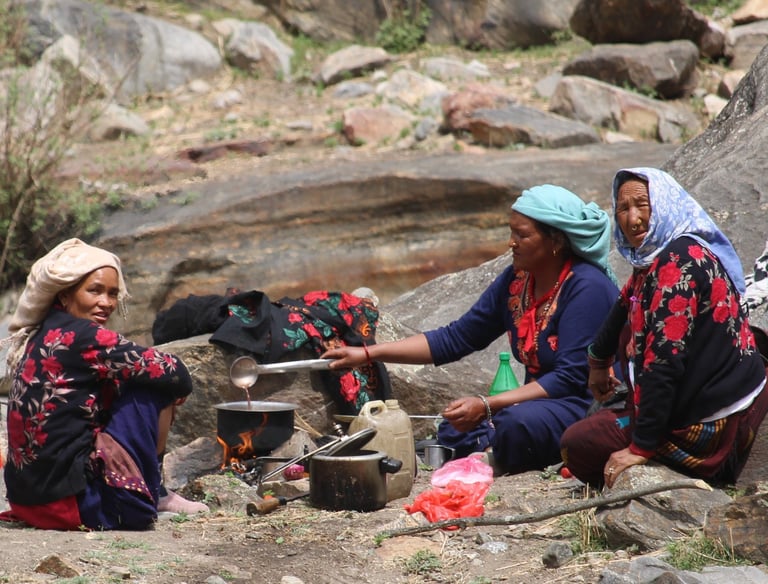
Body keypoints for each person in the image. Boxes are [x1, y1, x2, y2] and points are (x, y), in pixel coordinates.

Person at [322, 185, 621, 475]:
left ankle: (497, 453)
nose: (511, 243)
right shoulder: (517, 281)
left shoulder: (587, 287)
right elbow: (457, 337)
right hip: (538, 404)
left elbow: (569, 379)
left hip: (584, 405)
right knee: (453, 425)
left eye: (522, 235)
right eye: (511, 232)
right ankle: (495, 451)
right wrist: (367, 353)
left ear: (555, 241)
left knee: (517, 422)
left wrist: (487, 405)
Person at [560, 168, 768, 488]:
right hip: (724, 388)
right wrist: (598, 361)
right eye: (623, 209)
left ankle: (688, 465)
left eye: (643, 205)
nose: (632, 220)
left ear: (664, 205)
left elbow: (664, 361)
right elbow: (625, 300)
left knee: (577, 443)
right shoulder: (662, 255)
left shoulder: (677, 262)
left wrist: (640, 447)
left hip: (708, 420)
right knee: (600, 416)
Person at [1, 238, 208, 530]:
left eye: (112, 294)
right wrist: (172, 388)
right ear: (64, 295)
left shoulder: (42, 332)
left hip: (29, 502)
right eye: (94, 291)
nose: (106, 303)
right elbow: (177, 373)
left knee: (132, 375)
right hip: (71, 506)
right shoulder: (85, 336)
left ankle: (151, 486)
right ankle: (155, 491)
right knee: (157, 384)